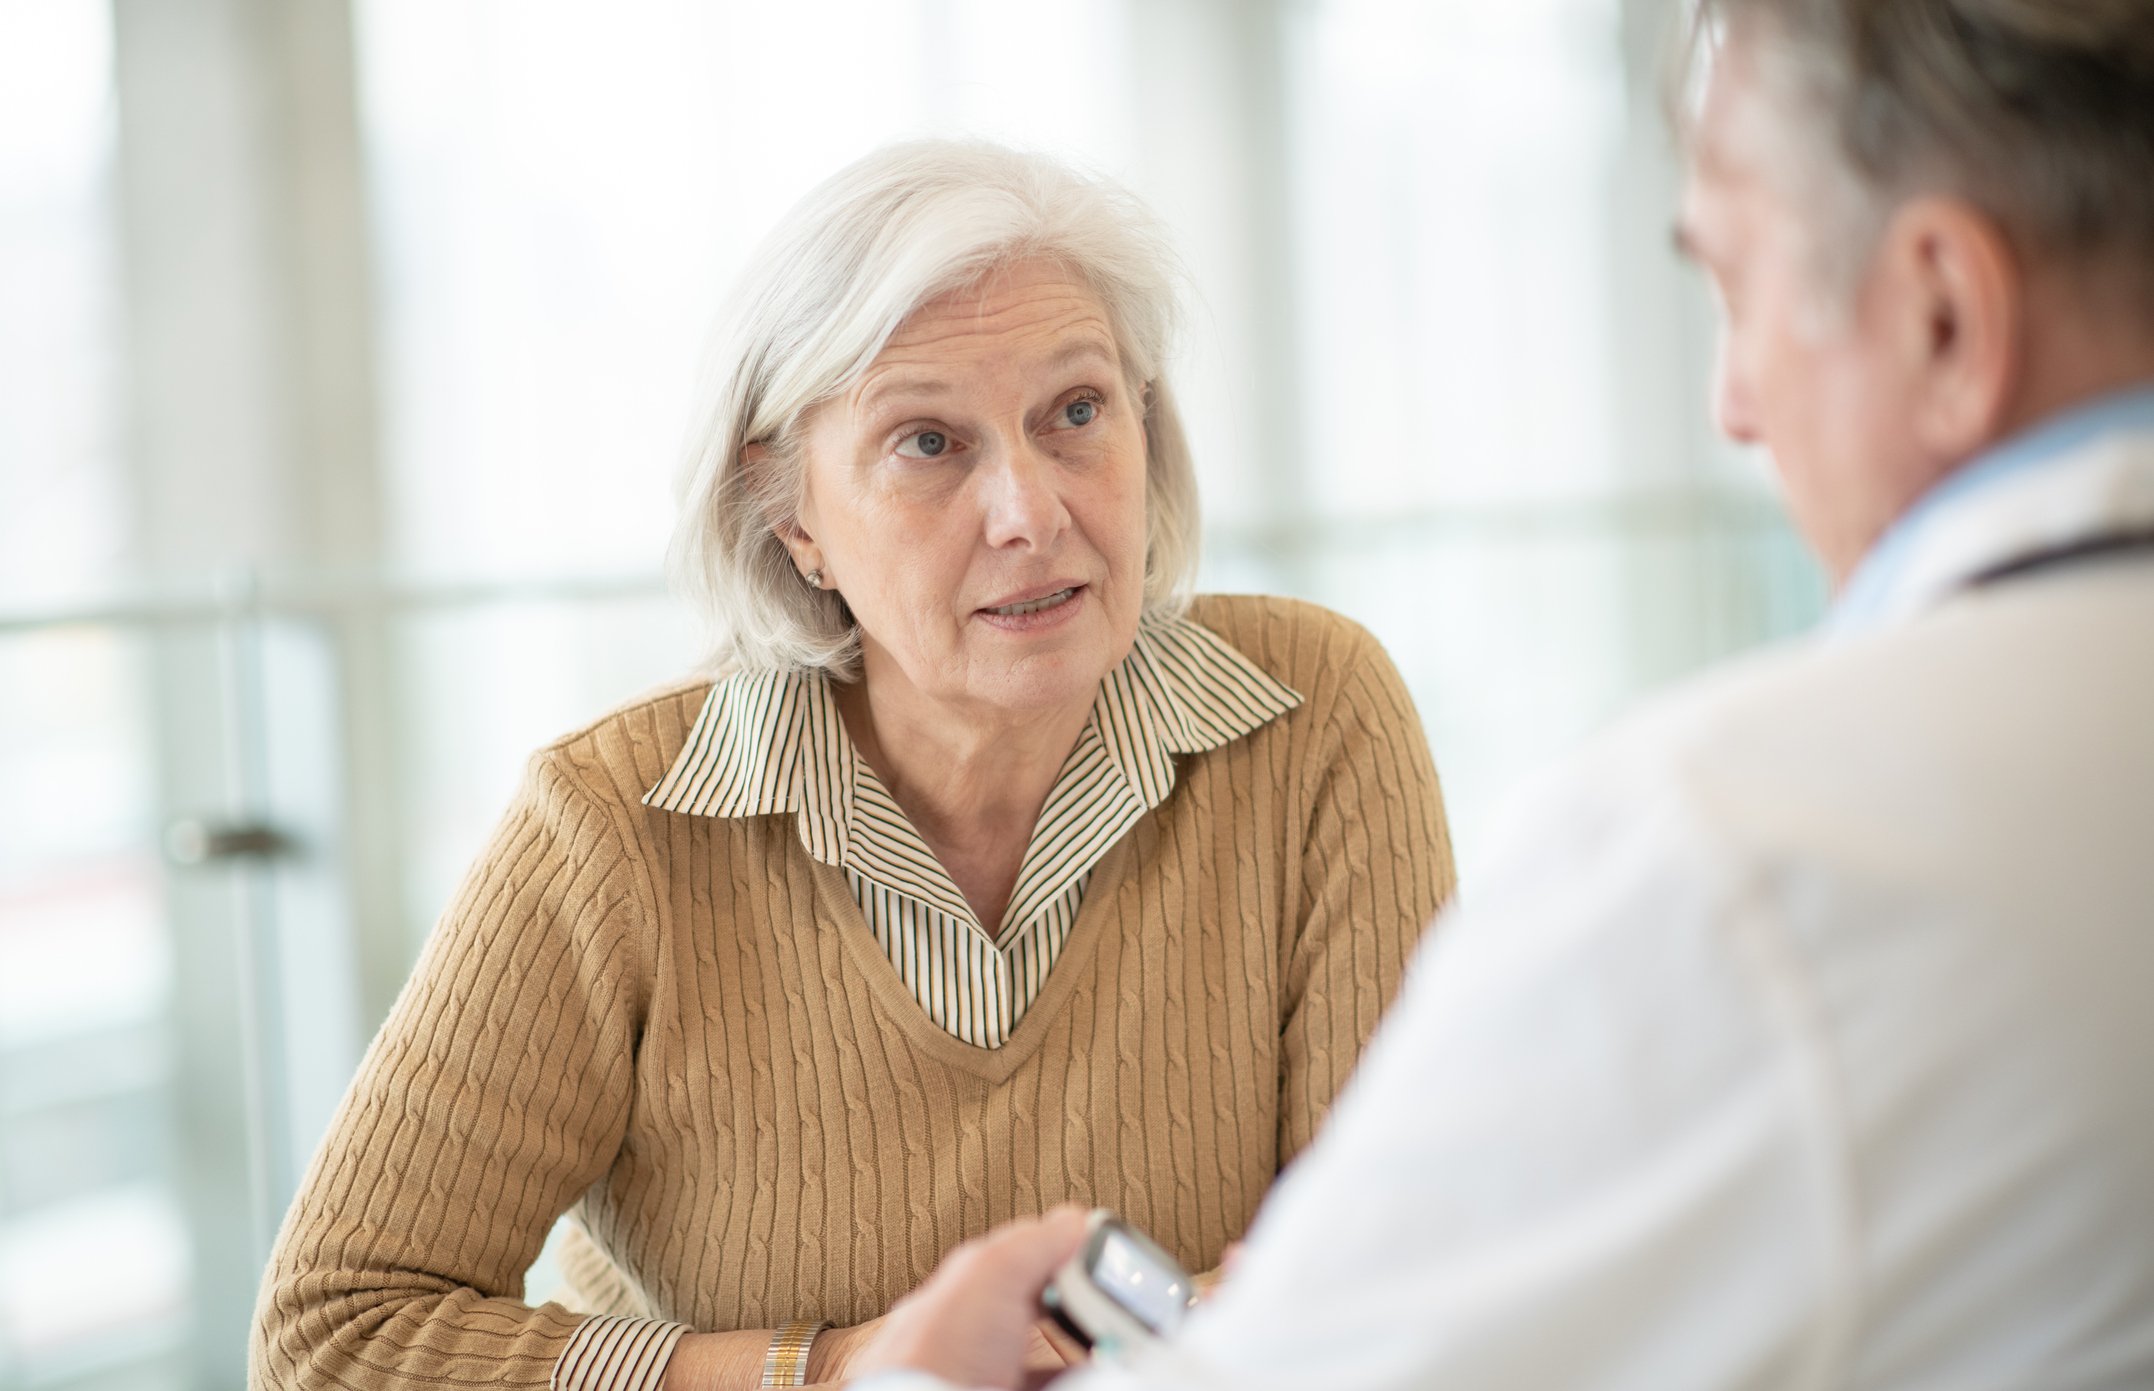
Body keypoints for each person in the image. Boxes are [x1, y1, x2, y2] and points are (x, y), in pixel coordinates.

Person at [849, 2, 2154, 1388]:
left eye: (1736, 290)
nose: (1732, 405)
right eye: (927, 441)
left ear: (1942, 313)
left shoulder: (1748, 851)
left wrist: (904, 1376)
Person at [246, 141, 1456, 1391]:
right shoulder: (612, 823)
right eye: (929, 442)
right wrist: (839, 1372)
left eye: (1077, 412)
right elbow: (338, 1335)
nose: (1031, 511)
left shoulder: (1313, 714)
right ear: (796, 520)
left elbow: (1411, 1262)